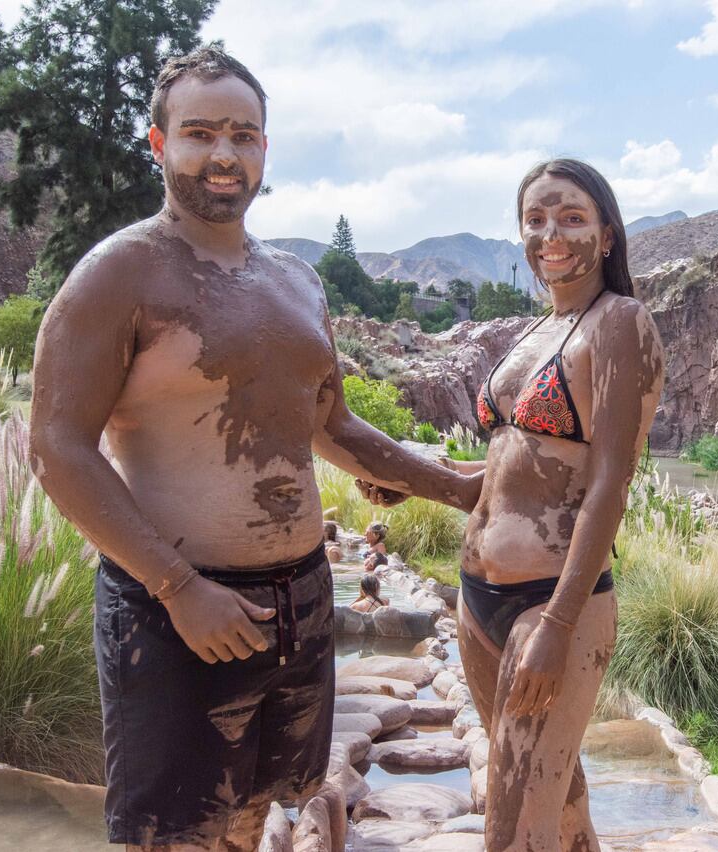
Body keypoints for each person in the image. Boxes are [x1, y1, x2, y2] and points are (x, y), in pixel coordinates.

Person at [27, 47, 481, 852]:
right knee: (174, 839)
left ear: (266, 149)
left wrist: (462, 489)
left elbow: (333, 429)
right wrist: (176, 586)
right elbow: (57, 448)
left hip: (300, 604)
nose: (225, 153)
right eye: (200, 132)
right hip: (177, 612)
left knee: (252, 825)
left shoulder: (296, 281)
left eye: (245, 134)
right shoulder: (118, 273)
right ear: (159, 144)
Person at [457, 158, 665, 851]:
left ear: (606, 234)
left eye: (572, 217)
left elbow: (610, 479)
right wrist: (406, 476)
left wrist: (558, 620)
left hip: (551, 606)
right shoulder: (535, 332)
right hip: (478, 601)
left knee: (511, 830)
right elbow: (499, 477)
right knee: (561, 803)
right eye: (536, 218)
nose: (551, 232)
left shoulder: (619, 323)